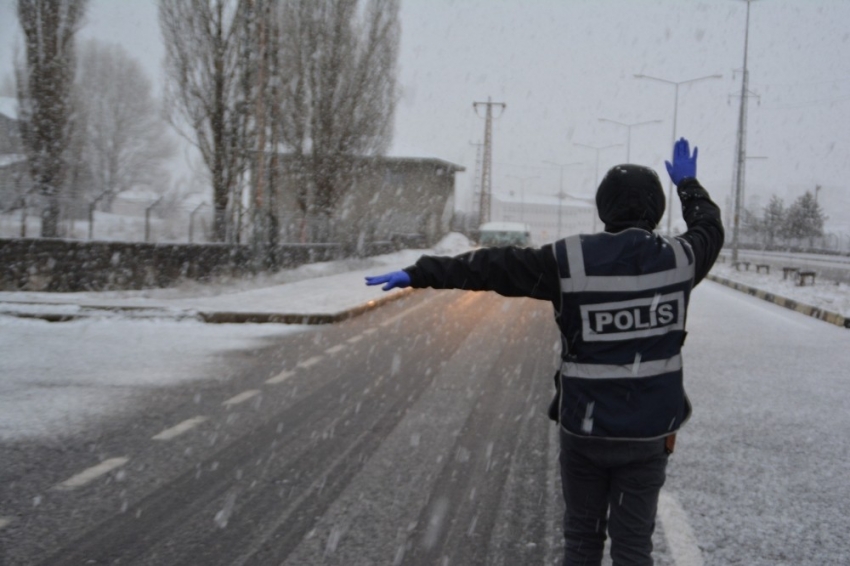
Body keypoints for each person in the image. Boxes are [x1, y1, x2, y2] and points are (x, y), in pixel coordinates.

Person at [365, 138, 723, 566]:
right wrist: (689, 185)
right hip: (649, 432)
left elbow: (491, 266)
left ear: (603, 208)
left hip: (585, 428)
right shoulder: (681, 259)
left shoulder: (568, 260)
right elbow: (709, 228)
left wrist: (420, 272)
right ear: (656, 211)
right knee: (633, 547)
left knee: (582, 542)